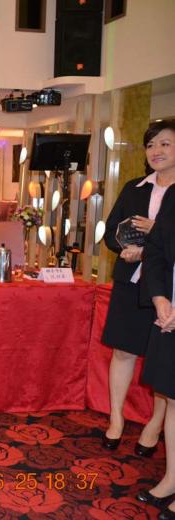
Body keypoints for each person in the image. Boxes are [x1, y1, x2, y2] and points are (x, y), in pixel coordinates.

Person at [101, 119, 175, 456]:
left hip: (167, 291)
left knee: (161, 362)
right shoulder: (135, 188)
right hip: (130, 282)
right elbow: (110, 233)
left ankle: (155, 424)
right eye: (151, 145)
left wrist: (154, 235)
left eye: (165, 144)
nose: (156, 151)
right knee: (123, 351)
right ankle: (116, 417)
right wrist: (126, 249)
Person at [137, 184, 175, 519]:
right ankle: (172, 477)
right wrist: (160, 297)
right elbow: (157, 250)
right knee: (172, 396)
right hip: (170, 312)